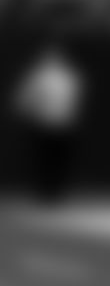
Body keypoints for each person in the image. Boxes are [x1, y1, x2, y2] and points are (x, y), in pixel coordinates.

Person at [12, 40, 83, 204]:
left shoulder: (67, 75)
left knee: (53, 160)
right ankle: (48, 191)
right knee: (47, 159)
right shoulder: (46, 75)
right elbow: (25, 97)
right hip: (48, 124)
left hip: (60, 124)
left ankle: (52, 191)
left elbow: (74, 99)